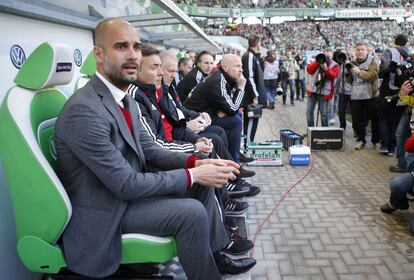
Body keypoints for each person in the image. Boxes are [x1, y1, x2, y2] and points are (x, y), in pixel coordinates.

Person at [54, 18, 256, 279]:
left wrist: (197, 164)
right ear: (99, 54)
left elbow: (150, 150)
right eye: (121, 46)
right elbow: (126, 184)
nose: (132, 56)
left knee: (202, 185)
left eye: (136, 47)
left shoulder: (124, 99)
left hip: (125, 198)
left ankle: (216, 258)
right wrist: (193, 174)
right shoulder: (84, 110)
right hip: (106, 212)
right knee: (191, 213)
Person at [184, 54, 245, 164]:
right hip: (195, 120)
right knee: (235, 121)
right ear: (225, 67)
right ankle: (234, 162)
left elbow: (229, 105)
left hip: (206, 115)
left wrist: (222, 109)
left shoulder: (223, 77)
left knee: (237, 116)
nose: (241, 70)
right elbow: (233, 108)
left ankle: (235, 156)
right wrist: (241, 88)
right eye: (237, 66)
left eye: (241, 66)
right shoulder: (218, 79)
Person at [347, 41, 380, 150]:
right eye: (358, 49)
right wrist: (347, 73)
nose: (360, 51)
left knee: (374, 119)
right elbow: (349, 81)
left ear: (366, 51)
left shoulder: (373, 61)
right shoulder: (352, 62)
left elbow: (372, 76)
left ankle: (375, 140)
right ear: (355, 51)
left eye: (362, 49)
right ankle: (361, 140)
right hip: (357, 95)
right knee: (358, 120)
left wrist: (359, 72)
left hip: (371, 95)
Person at [242, 35, 266, 153]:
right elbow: (249, 77)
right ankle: (248, 147)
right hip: (251, 97)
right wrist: (255, 95)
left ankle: (248, 144)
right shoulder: (249, 56)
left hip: (253, 95)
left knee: (253, 121)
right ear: (258, 44)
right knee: (251, 121)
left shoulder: (252, 56)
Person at [305, 48, 339, 128]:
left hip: (324, 92)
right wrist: (318, 62)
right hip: (313, 90)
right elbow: (309, 70)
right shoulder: (316, 61)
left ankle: (324, 131)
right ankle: (311, 130)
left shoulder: (335, 65)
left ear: (332, 56)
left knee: (324, 113)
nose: (326, 58)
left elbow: (333, 76)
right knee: (309, 112)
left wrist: (326, 68)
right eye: (325, 56)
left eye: (329, 56)